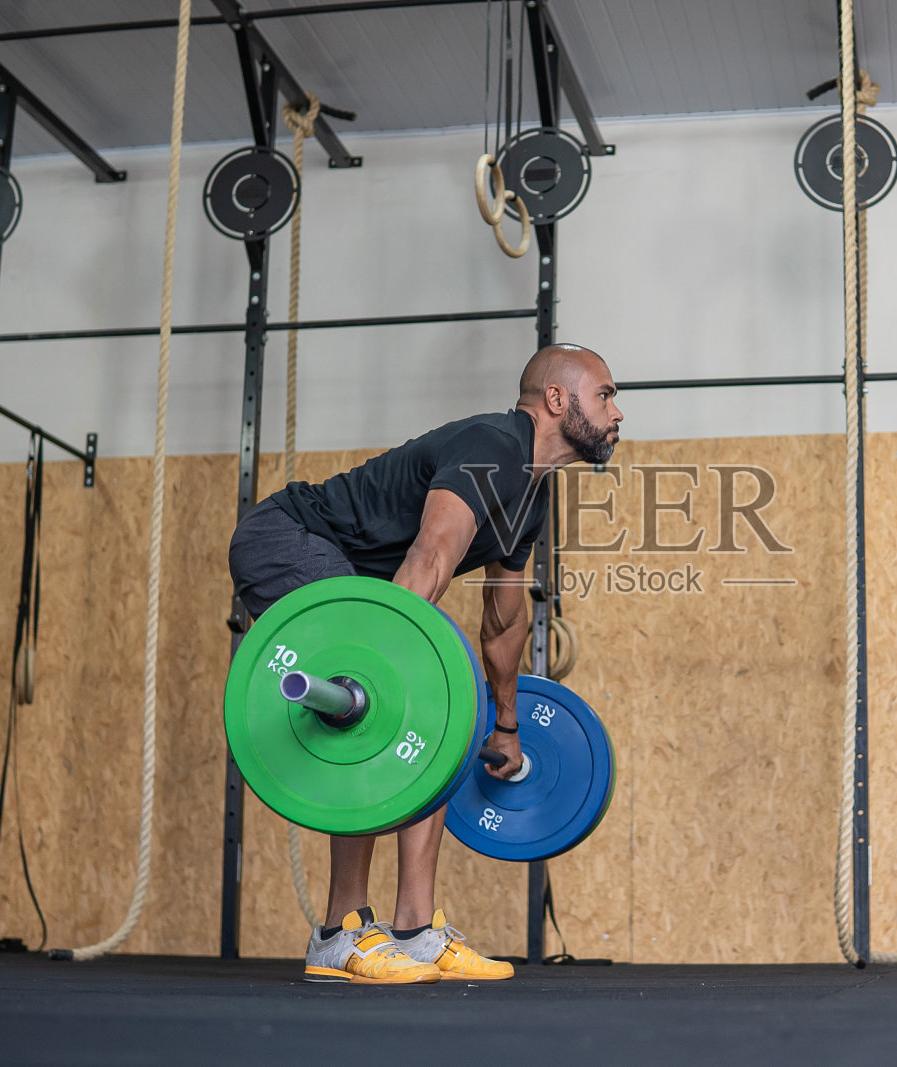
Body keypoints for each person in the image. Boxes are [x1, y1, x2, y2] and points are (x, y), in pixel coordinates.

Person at [227, 343, 622, 984]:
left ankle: (414, 932)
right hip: (290, 539)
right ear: (557, 400)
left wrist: (504, 723)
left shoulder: (532, 493)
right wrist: (394, 674)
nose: (617, 411)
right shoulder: (493, 444)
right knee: (381, 711)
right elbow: (432, 557)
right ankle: (339, 932)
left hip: (361, 580)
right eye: (605, 394)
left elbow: (503, 621)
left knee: (441, 713)